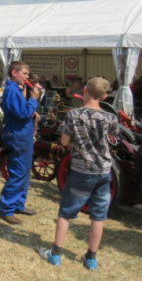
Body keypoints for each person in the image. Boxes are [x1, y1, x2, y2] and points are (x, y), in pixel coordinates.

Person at [39, 77, 119, 270]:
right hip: (104, 171)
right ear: (105, 95)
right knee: (98, 216)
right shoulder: (110, 117)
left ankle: (56, 254)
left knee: (66, 213)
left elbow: (64, 142)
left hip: (81, 170)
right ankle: (91, 258)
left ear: (85, 90)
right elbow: (114, 139)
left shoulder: (74, 115)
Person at [0, 61, 41, 225]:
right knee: (18, 171)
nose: (27, 77)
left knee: (24, 171)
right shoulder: (12, 90)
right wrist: (34, 100)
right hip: (17, 135)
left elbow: (21, 111)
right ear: (14, 73)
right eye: (25, 73)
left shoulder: (16, 90)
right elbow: (22, 114)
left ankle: (18, 204)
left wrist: (32, 111)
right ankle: (5, 208)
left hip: (22, 134)